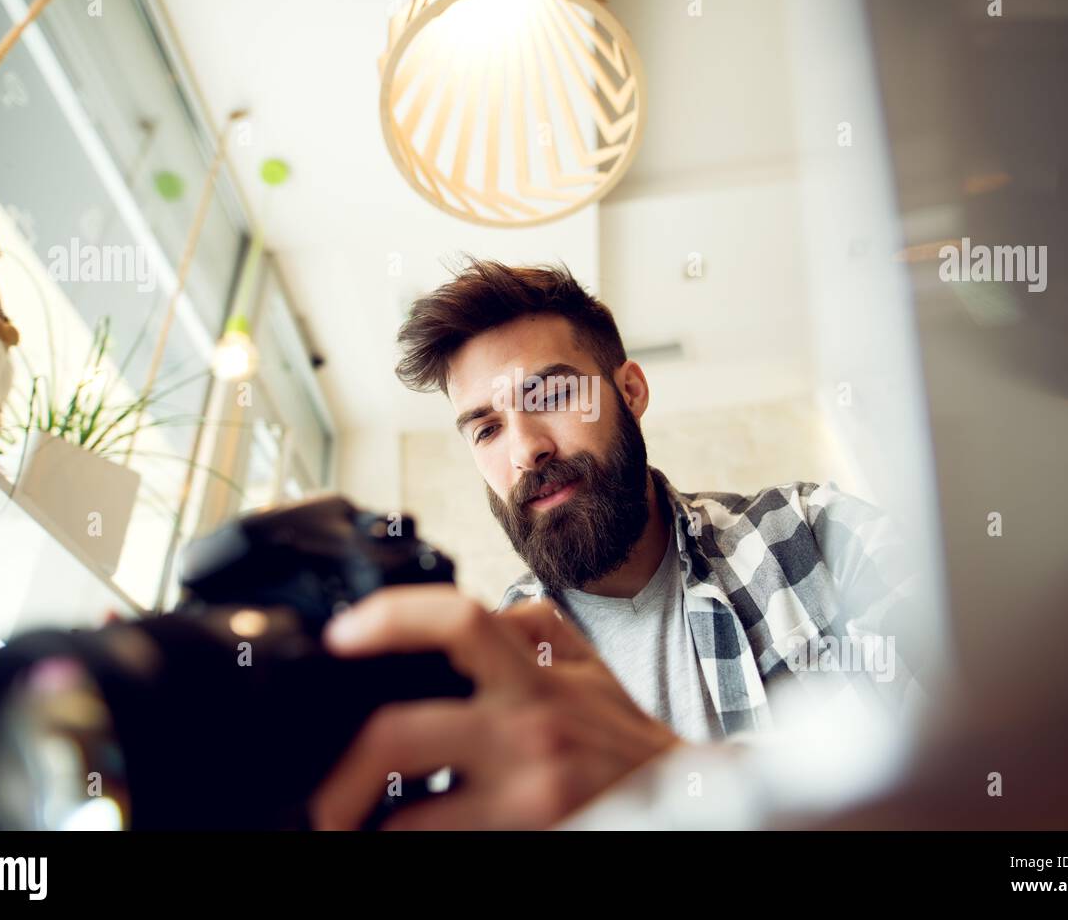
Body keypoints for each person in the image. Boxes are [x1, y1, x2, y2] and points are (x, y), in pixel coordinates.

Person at [311, 260, 924, 830]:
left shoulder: (819, 533)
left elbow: (986, 761)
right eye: (488, 429)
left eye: (549, 396)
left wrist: (688, 780)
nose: (525, 449)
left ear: (630, 391)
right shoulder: (481, 685)